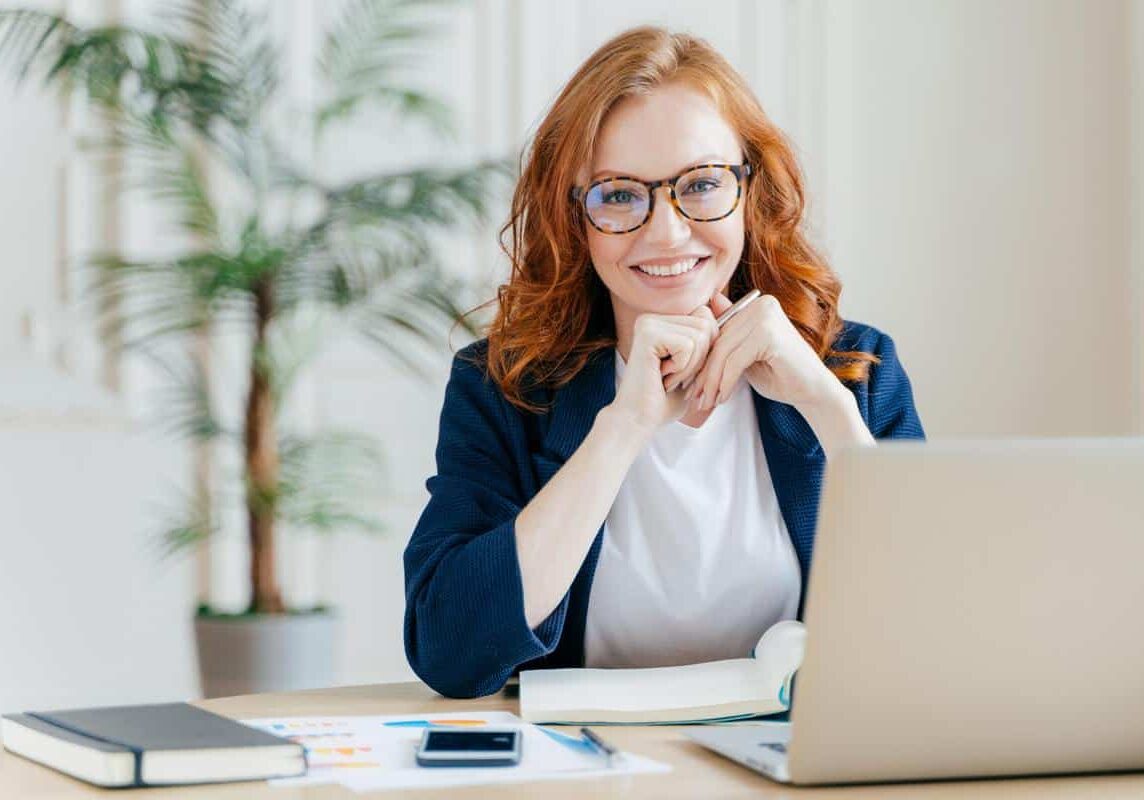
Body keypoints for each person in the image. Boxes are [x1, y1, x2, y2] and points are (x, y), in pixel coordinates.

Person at [403, 26, 925, 699]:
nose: (667, 231)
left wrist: (827, 406)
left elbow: (937, 627)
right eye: (619, 195)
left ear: (751, 189)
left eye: (702, 184)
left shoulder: (857, 368)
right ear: (575, 218)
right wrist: (621, 430)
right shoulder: (502, 386)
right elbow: (451, 653)